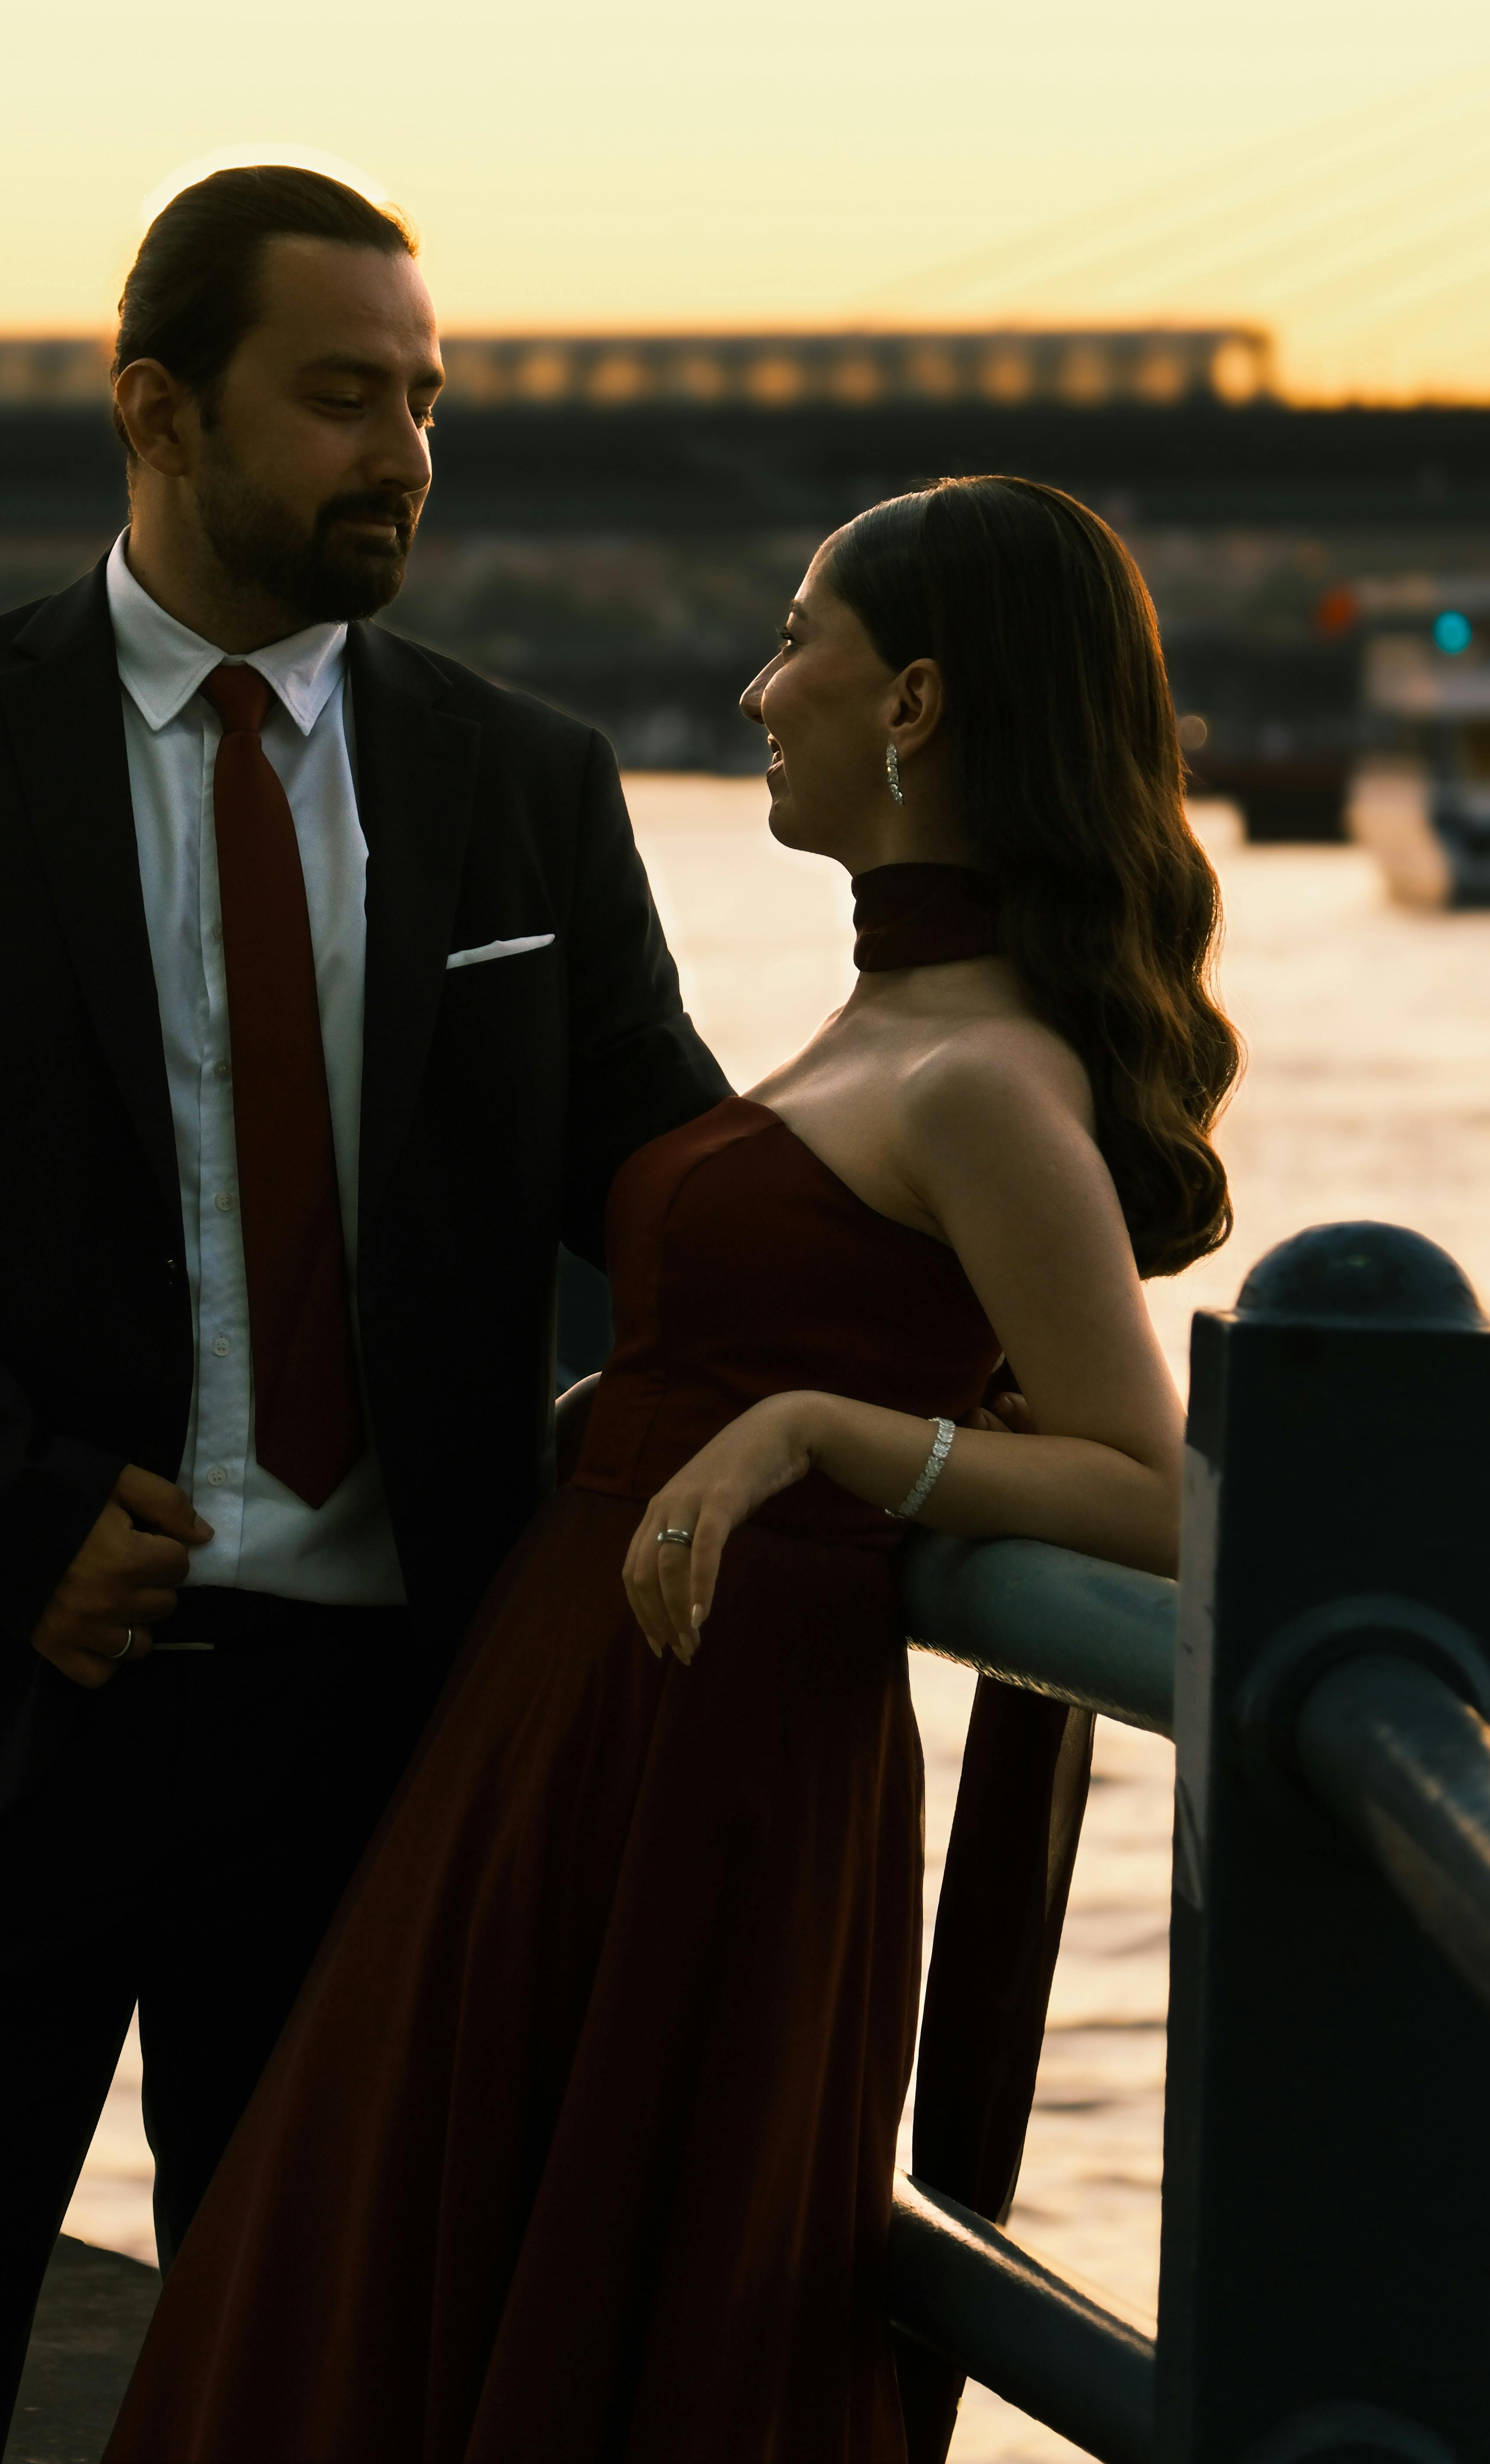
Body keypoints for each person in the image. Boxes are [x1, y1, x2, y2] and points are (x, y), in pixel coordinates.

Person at [0, 164, 729, 2458]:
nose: (405, 453)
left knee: (330, 2392)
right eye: (344, 397)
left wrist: (971, 1181)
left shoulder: (524, 780)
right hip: (1, 1695)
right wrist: (18, 1514)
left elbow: (672, 1180)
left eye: (428, 401)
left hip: (381, 1738)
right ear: (156, 408)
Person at [105, 471, 1241, 2464]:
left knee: (590, 2294)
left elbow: (1152, 1488)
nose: (756, 691)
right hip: (583, 1717)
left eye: (797, 641)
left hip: (709, 1765)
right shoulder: (885, 1024)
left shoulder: (982, 1077)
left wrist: (806, 1433)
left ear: (913, 704)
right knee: (407, 2256)